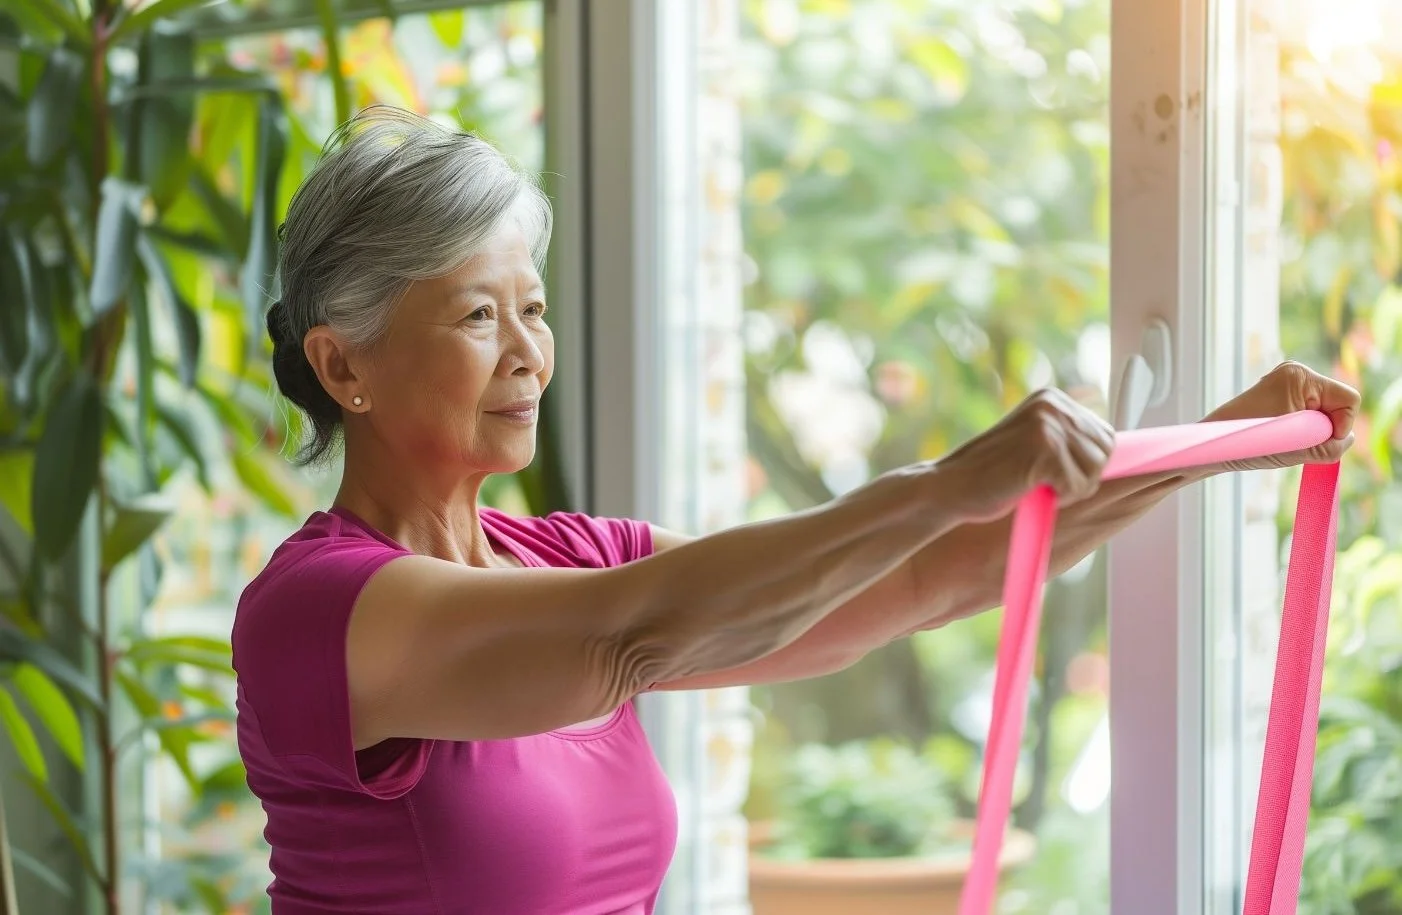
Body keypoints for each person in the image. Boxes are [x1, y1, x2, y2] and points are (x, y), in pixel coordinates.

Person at [233, 106, 1359, 915]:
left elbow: (926, 578)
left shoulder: (567, 555)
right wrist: (937, 484)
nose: (528, 352)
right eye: (479, 315)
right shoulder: (315, 612)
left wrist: (1218, 443)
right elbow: (627, 634)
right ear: (343, 365)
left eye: (533, 307)